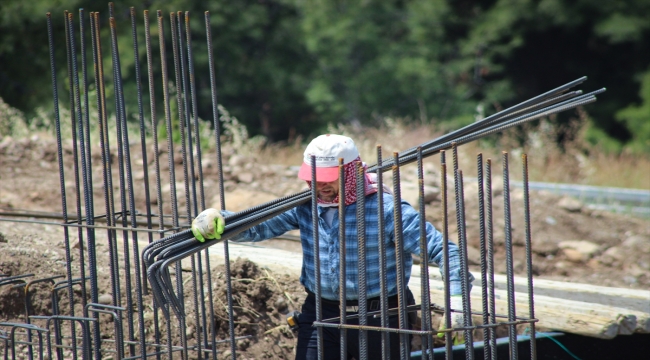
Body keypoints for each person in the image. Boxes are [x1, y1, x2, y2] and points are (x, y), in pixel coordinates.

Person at [192, 134, 471, 360]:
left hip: (381, 316)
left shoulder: (387, 210)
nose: (320, 185)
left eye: (328, 178)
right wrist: (223, 220)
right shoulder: (305, 205)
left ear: (350, 173)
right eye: (314, 177)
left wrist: (458, 303)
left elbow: (443, 251)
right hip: (321, 312)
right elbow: (258, 226)